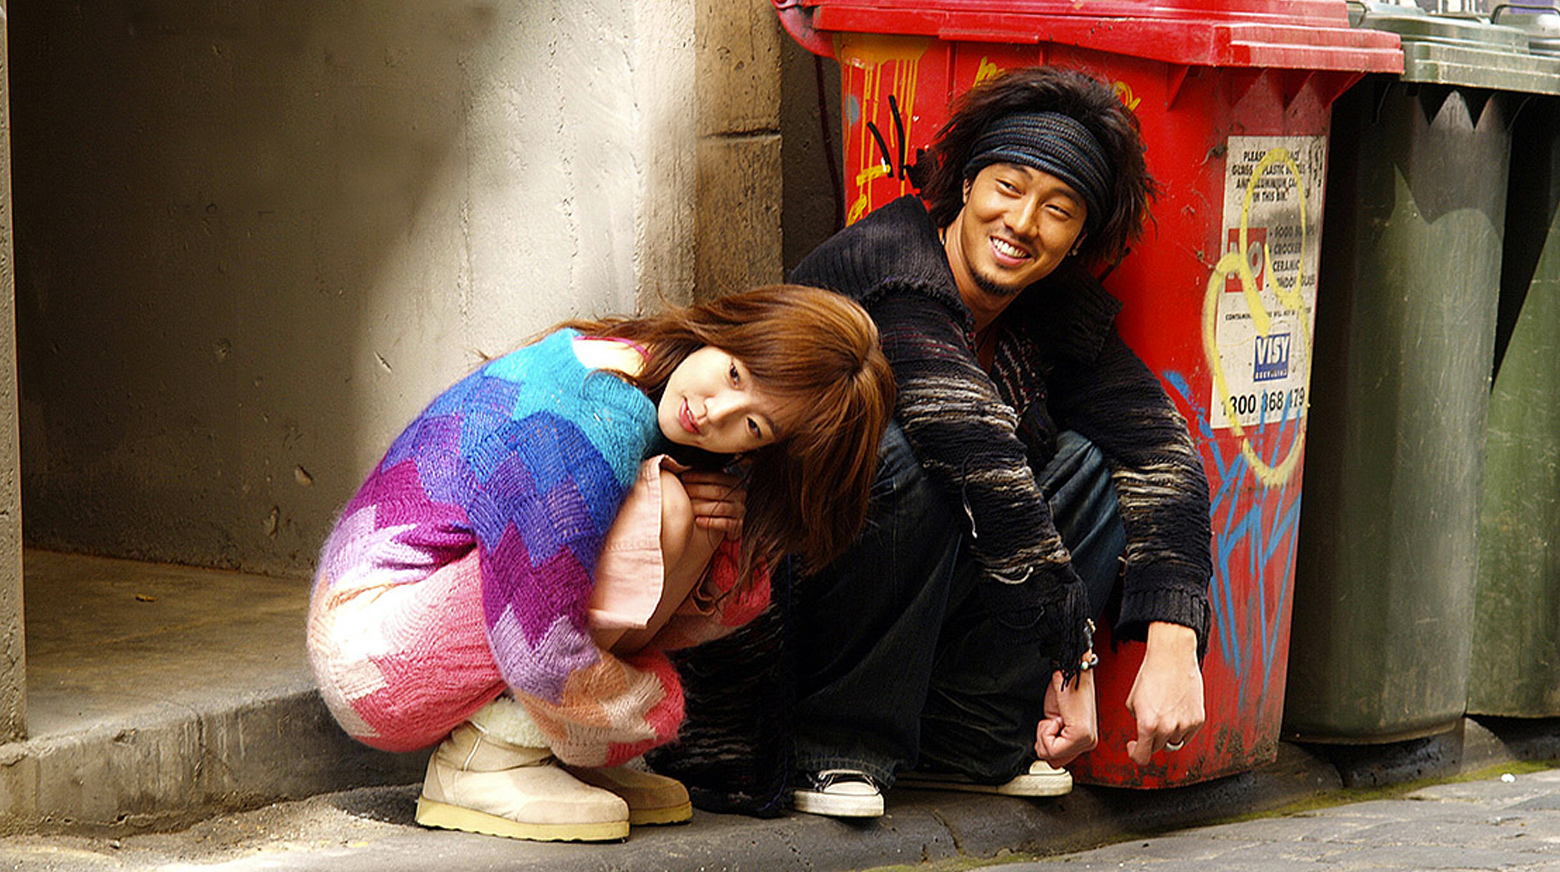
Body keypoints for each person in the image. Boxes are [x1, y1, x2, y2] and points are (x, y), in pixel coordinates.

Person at [307, 285, 895, 841]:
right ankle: (488, 755)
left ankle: (544, 749)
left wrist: (731, 514)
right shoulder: (590, 416)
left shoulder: (646, 373)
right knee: (668, 509)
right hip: (372, 657)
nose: (715, 412)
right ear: (728, 330)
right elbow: (538, 644)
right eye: (736, 373)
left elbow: (728, 593)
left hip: (409, 635)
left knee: (700, 516)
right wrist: (645, 710)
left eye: (753, 425)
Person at [784, 66, 1214, 818]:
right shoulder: (890, 265)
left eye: (1059, 209)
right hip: (786, 588)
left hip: (926, 571)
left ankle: (965, 741)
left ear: (1079, 239)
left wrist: (1175, 640)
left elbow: (1159, 448)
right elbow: (971, 447)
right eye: (1007, 188)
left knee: (1096, 466)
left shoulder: (1047, 310)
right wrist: (1075, 652)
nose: (1022, 222)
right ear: (965, 185)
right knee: (912, 456)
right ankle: (834, 745)